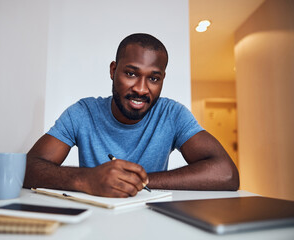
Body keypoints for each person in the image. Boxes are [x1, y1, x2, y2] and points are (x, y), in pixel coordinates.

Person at [23, 33, 239, 198]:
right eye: (131, 74)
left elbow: (227, 174)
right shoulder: (82, 113)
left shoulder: (172, 115)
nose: (142, 89)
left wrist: (138, 182)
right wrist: (87, 180)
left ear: (163, 79)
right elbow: (27, 168)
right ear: (113, 70)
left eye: (154, 78)